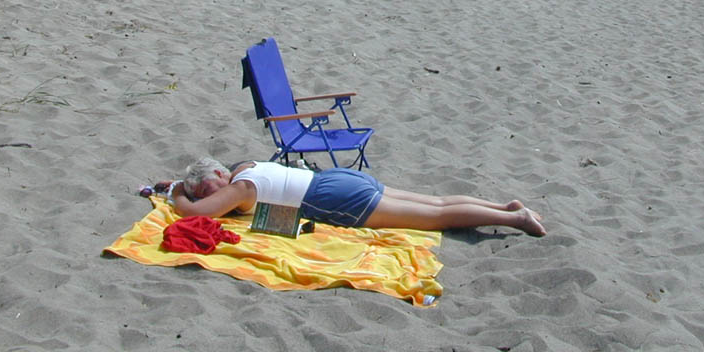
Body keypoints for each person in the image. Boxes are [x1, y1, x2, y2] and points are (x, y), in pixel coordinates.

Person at [166, 157, 546, 237]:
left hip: (329, 198)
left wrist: (176, 192)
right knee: (435, 202)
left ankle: (514, 219)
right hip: (337, 178)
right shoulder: (247, 166)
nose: (207, 195)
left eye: (206, 187)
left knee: (434, 217)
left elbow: (192, 215)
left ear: (218, 175)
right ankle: (503, 206)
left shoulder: (239, 187)